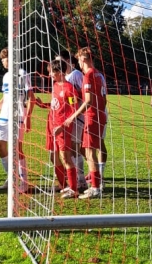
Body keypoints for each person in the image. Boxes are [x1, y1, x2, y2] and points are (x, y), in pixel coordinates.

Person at [0, 47, 34, 192]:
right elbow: (4, 98)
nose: (2, 62)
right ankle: (11, 177)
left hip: (17, 116)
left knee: (17, 149)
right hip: (4, 117)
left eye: (3, 59)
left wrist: (28, 117)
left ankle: (24, 182)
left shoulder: (22, 74)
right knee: (0, 146)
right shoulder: (6, 77)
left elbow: (31, 98)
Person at [64, 47, 107, 200]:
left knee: (89, 152)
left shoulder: (88, 75)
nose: (79, 64)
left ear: (83, 59)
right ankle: (95, 185)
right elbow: (104, 99)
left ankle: (95, 188)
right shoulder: (99, 75)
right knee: (90, 150)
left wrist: (73, 116)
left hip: (92, 116)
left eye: (79, 60)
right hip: (100, 115)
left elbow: (88, 101)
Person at [46, 57, 80, 198]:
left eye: (52, 72)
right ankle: (63, 185)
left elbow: (74, 109)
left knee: (66, 158)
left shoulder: (69, 89)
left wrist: (62, 126)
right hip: (51, 126)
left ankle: (74, 189)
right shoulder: (55, 86)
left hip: (63, 129)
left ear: (59, 72)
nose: (50, 75)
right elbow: (56, 105)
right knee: (54, 156)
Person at [60, 49, 88, 192]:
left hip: (77, 116)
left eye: (60, 61)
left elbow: (82, 95)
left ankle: (81, 180)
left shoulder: (76, 75)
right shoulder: (66, 77)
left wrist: (75, 107)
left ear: (67, 61)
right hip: (70, 117)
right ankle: (79, 178)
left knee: (74, 147)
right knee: (72, 147)